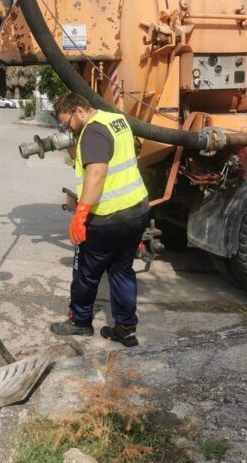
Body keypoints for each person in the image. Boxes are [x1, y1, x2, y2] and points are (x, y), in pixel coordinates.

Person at [49, 93, 150, 347]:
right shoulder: (116, 120)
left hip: (108, 218)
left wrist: (81, 214)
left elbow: (96, 175)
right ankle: (126, 328)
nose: (68, 128)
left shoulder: (93, 133)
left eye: (68, 122)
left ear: (80, 111)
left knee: (86, 271)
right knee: (122, 271)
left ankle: (80, 321)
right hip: (136, 210)